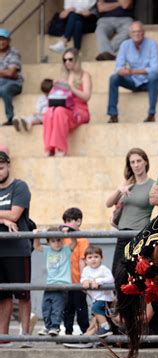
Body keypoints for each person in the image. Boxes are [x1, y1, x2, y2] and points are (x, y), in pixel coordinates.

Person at [106, 147, 154, 277]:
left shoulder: (153, 185)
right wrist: (119, 190)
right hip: (122, 234)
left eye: (139, 161)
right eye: (132, 162)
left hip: (139, 234)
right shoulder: (128, 183)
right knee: (116, 273)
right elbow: (108, 203)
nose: (136, 165)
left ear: (145, 162)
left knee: (135, 274)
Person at [0, 152, 32, 339]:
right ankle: (3, 337)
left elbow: (15, 215)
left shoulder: (20, 186)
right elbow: (8, 216)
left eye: (1, 167)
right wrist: (4, 219)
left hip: (17, 249)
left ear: (9, 166)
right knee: (2, 295)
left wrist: (6, 218)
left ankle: (25, 335)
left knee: (23, 294)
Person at [107, 21, 158, 123]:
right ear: (130, 34)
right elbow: (118, 67)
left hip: (152, 81)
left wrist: (132, 71)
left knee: (153, 76)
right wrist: (121, 71)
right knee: (114, 78)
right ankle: (113, 115)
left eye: (139, 31)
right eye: (134, 32)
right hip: (135, 82)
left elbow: (155, 69)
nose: (136, 34)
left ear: (143, 32)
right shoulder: (125, 45)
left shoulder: (152, 44)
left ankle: (151, 114)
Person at [43, 48, 91, 157]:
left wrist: (71, 88)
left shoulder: (85, 75)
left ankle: (60, 148)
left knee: (59, 111)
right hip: (65, 106)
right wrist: (54, 88)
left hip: (79, 110)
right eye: (64, 60)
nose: (67, 62)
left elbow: (87, 96)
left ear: (76, 60)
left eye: (70, 59)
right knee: (49, 111)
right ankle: (49, 148)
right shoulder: (64, 76)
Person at [34, 227, 77, 336]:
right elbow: (36, 246)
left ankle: (55, 326)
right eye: (53, 241)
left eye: (59, 240)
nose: (56, 243)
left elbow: (74, 243)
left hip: (62, 285)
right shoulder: (48, 250)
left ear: (63, 240)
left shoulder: (66, 250)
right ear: (48, 243)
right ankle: (48, 326)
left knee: (57, 307)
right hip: (49, 284)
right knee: (46, 306)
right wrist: (36, 235)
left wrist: (69, 233)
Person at [61, 207, 89, 335]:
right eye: (65, 221)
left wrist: (83, 280)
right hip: (66, 281)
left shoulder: (82, 239)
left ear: (78, 221)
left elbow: (83, 260)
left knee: (81, 308)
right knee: (67, 308)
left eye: (69, 221)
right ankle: (68, 331)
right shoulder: (63, 238)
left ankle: (85, 331)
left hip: (78, 281)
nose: (66, 224)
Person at [80, 245, 115, 337]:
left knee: (95, 309)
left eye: (96, 257)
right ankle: (93, 335)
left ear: (101, 258)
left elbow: (111, 279)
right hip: (95, 299)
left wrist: (99, 281)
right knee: (95, 317)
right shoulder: (86, 270)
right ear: (86, 260)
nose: (93, 259)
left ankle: (105, 327)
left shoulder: (103, 269)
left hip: (105, 298)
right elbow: (82, 280)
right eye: (90, 257)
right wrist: (85, 281)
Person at [0, 28, 23, 126]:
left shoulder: (14, 52)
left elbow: (11, 73)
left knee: (4, 89)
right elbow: (8, 72)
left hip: (14, 83)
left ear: (9, 40)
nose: (1, 42)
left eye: (3, 39)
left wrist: (7, 73)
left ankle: (10, 118)